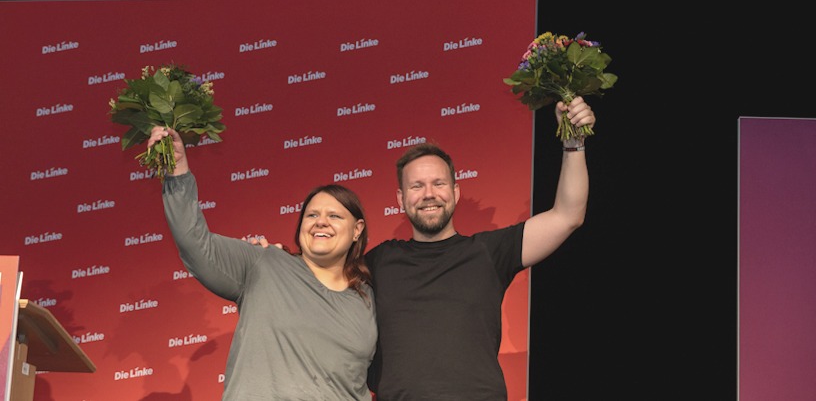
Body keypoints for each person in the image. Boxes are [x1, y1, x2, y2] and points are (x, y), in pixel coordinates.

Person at [251, 96, 594, 400]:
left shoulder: (489, 252)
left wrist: (574, 142)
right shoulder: (380, 261)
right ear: (401, 199)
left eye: (438, 183)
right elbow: (319, 276)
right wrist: (274, 259)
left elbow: (568, 216)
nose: (429, 194)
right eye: (416, 186)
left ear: (455, 192)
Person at [146, 125, 377, 401]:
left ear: (357, 230)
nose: (321, 222)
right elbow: (195, 243)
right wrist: (177, 172)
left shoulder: (369, 298)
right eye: (312, 215)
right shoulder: (264, 263)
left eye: (335, 216)